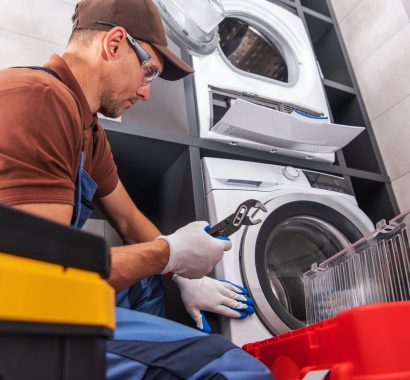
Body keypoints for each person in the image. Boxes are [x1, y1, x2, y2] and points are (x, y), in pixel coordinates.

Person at [0, 0, 273, 378]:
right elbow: (40, 278)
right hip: (17, 312)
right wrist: (169, 253)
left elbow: (128, 219)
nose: (146, 92)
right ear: (113, 44)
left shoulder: (87, 128)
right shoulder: (39, 99)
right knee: (232, 369)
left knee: (147, 279)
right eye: (149, 72)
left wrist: (184, 275)